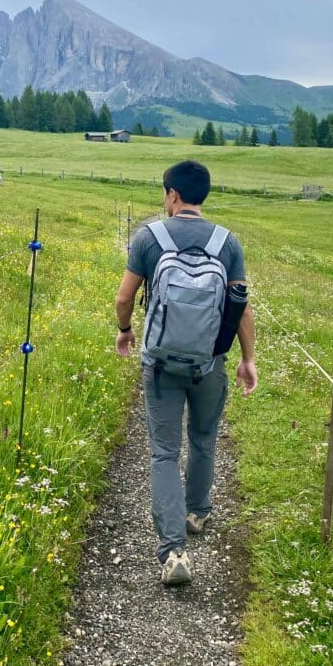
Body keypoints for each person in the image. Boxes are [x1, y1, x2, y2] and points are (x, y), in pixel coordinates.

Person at [114, 159, 257, 585]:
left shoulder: (149, 237)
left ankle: (173, 551)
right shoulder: (227, 242)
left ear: (172, 194)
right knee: (203, 437)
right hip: (209, 363)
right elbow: (241, 308)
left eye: (165, 193)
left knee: (163, 451)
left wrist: (125, 330)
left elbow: (124, 298)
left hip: (160, 364)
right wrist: (247, 359)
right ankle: (197, 512)